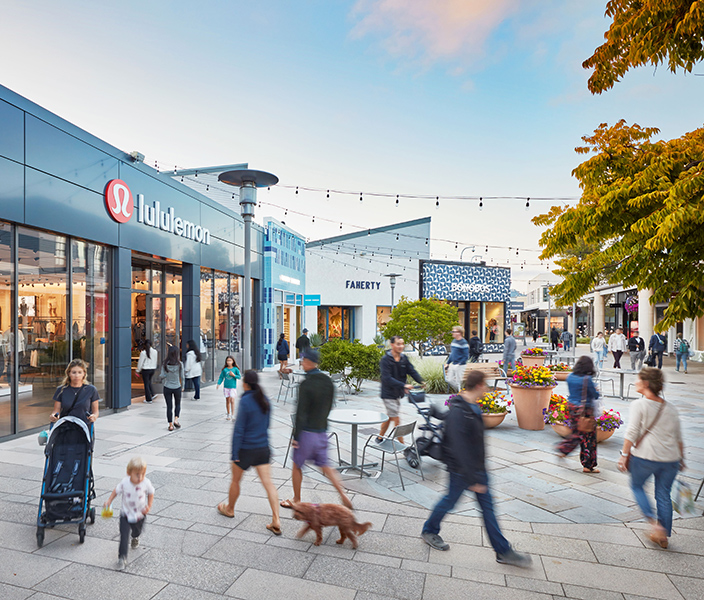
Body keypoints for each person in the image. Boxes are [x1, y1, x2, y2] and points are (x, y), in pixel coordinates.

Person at [421, 370, 532, 567]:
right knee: (451, 501)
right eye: (486, 385)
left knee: (486, 509)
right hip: (464, 471)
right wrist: (474, 479)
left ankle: (503, 551)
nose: (488, 388)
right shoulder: (460, 410)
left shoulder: (467, 406)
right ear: (479, 386)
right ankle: (429, 530)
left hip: (476, 469)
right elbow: (459, 447)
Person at [617, 368, 684, 549]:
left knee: (637, 486)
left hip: (646, 457)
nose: (636, 382)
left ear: (646, 384)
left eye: (638, 379)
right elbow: (678, 436)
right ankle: (663, 535)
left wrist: (624, 455)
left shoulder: (640, 405)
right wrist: (682, 458)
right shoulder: (670, 408)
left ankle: (655, 526)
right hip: (671, 459)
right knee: (663, 494)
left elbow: (631, 432)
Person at [280, 349, 353, 510]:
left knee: (297, 466)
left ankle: (297, 499)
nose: (301, 362)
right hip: (321, 432)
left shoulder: (306, 384)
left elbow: (301, 412)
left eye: (303, 360)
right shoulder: (328, 382)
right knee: (326, 466)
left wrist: (296, 436)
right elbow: (329, 406)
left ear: (308, 362)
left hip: (306, 433)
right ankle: (342, 494)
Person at [217, 371, 282, 535]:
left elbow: (239, 430)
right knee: (269, 484)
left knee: (235, 481)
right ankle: (276, 519)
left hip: (245, 449)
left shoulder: (245, 401)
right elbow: (266, 426)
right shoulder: (265, 400)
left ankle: (230, 509)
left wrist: (234, 454)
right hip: (262, 449)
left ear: (245, 384)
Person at [105, 457, 154, 571]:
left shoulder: (146, 482)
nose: (140, 477)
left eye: (142, 474)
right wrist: (109, 501)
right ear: (129, 473)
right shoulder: (125, 482)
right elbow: (116, 491)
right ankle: (122, 557)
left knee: (137, 531)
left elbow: (151, 493)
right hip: (125, 514)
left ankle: (135, 537)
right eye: (137, 474)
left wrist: (149, 505)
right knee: (124, 535)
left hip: (139, 514)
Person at [556, 356, 600, 473]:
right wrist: (596, 390)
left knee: (576, 432)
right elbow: (595, 395)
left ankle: (563, 448)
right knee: (589, 438)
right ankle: (588, 465)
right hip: (585, 410)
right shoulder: (587, 379)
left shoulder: (570, 377)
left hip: (572, 408)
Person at [379, 336, 424, 443]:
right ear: (392, 345)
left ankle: (380, 437)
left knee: (390, 416)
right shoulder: (385, 360)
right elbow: (387, 378)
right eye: (398, 344)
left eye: (402, 344)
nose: (401, 346)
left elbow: (411, 371)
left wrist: (421, 381)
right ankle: (403, 445)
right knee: (396, 418)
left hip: (397, 393)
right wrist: (403, 385)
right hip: (388, 394)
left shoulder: (404, 359)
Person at [50, 359, 100, 426]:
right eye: (74, 372)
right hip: (66, 427)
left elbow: (96, 411)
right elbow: (56, 410)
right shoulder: (61, 390)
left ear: (84, 374)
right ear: (69, 373)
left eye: (80, 372)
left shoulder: (91, 390)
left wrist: (94, 416)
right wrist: (54, 416)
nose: (77, 376)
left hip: (84, 427)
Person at [159, 345, 184, 431]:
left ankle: (170, 425)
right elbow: (182, 377)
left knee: (169, 406)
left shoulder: (164, 363)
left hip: (167, 387)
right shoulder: (180, 364)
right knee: (178, 404)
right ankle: (176, 420)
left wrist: (166, 375)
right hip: (177, 387)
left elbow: (162, 375)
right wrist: (183, 386)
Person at [216, 355, 241, 420]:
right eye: (227, 361)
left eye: (230, 360)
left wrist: (234, 375)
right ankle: (228, 414)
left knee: (232, 400)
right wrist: (218, 384)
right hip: (226, 387)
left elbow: (239, 377)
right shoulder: (225, 370)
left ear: (233, 361)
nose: (229, 362)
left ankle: (233, 415)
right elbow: (221, 377)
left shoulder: (235, 369)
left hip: (233, 387)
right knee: (227, 400)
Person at [444, 326, 468, 391]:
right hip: (453, 364)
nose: (452, 333)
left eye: (454, 332)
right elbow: (452, 354)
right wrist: (448, 363)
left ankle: (460, 392)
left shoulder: (464, 342)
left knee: (458, 382)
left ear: (459, 333)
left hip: (461, 365)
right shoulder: (453, 341)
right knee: (449, 379)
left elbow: (466, 356)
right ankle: (461, 391)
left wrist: (459, 364)